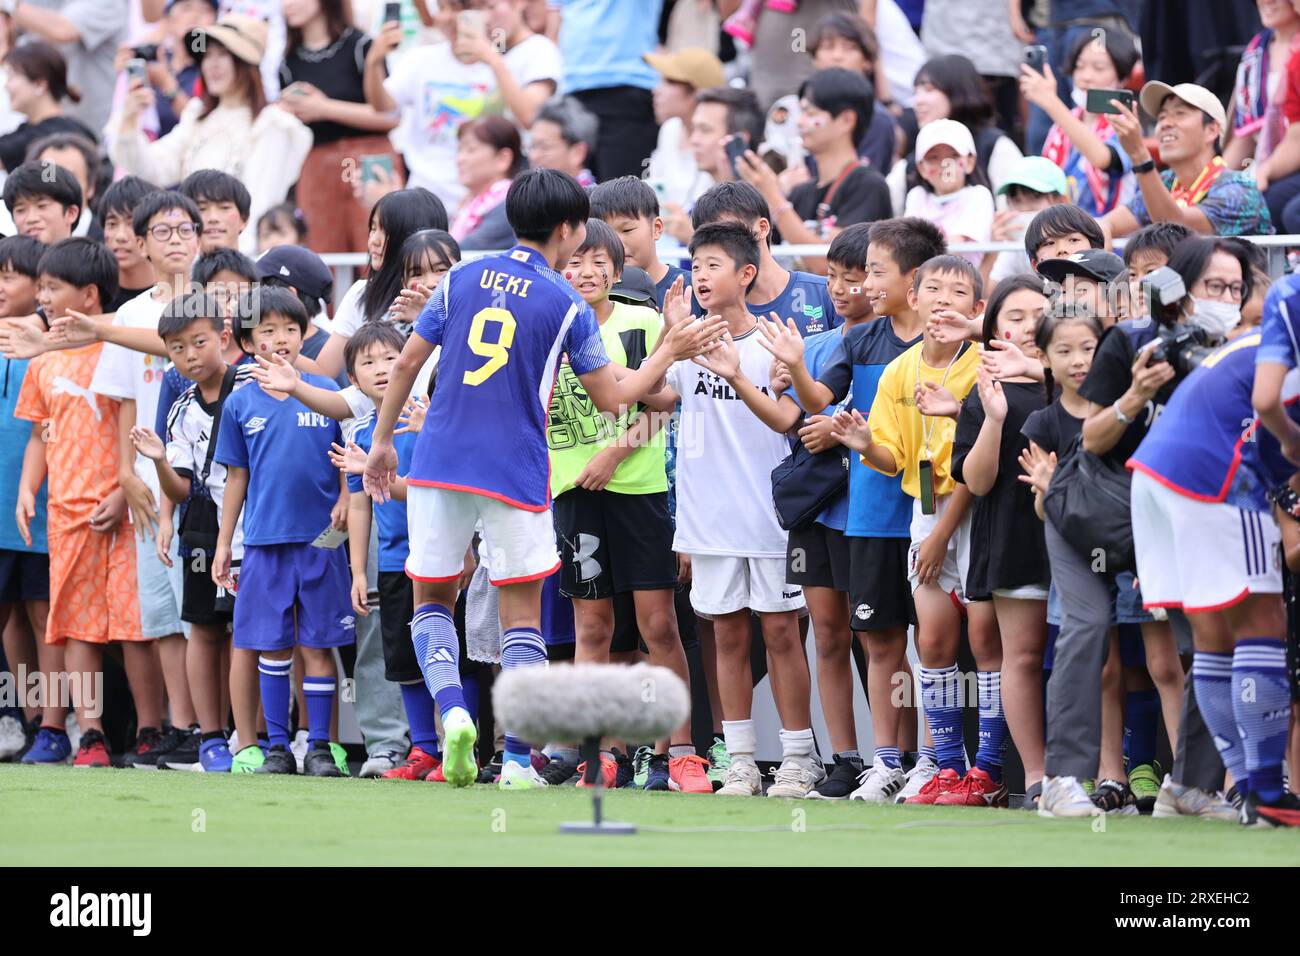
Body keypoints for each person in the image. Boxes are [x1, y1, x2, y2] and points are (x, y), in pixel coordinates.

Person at [360, 168, 723, 790]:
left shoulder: (460, 279)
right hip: (517, 469)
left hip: (441, 461)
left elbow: (408, 363)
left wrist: (383, 442)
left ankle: (452, 713)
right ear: (567, 228)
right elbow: (616, 399)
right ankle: (521, 761)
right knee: (521, 616)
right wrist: (668, 351)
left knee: (431, 599)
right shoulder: (563, 302)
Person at [765, 216, 946, 801]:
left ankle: (937, 760)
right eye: (854, 274)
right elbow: (822, 400)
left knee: (937, 643)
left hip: (931, 510)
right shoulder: (858, 340)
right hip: (870, 513)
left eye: (872, 272)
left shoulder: (948, 343)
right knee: (881, 640)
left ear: (913, 279)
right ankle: (889, 761)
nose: (860, 285)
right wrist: (795, 365)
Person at [707, 223, 876, 799]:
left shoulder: (902, 346)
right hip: (814, 512)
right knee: (823, 634)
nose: (841, 289)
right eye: (833, 277)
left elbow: (814, 414)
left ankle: (901, 760)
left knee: (878, 636)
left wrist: (828, 415)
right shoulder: (814, 344)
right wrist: (798, 381)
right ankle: (836, 761)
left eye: (857, 278)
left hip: (882, 513)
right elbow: (796, 418)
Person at [648, 221, 815, 798]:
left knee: (782, 634)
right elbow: (648, 396)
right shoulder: (684, 343)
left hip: (771, 520)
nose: (699, 276)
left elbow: (790, 420)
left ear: (747, 273)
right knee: (726, 638)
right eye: (694, 266)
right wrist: (670, 340)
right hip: (708, 521)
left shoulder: (775, 340)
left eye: (713, 265)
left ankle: (798, 758)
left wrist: (739, 375)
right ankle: (739, 759)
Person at [549, 219, 707, 793]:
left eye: (599, 262)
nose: (586, 272)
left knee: (658, 625)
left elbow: (664, 403)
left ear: (618, 270)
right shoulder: (549, 324)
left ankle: (680, 751)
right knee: (592, 626)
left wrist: (613, 456)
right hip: (572, 494)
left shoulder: (641, 321)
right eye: (575, 262)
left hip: (638, 490)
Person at [1129, 316, 1300, 827]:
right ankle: (1269, 793)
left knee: (1216, 639)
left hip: (1157, 473)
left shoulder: (1270, 322)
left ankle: (1251, 790)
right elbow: (1269, 406)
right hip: (1216, 477)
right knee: (1263, 620)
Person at [830, 254, 985, 806]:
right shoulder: (900, 370)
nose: (943, 300)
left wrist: (943, 531)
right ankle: (942, 766)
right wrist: (865, 444)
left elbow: (977, 461)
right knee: (935, 640)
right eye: (933, 289)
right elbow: (894, 457)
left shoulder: (985, 362)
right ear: (913, 300)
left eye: (958, 292)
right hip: (927, 510)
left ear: (978, 309)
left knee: (988, 642)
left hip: (977, 511)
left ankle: (986, 772)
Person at [212, 286, 354, 776]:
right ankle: (276, 747)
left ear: (303, 334)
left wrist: (342, 498)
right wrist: (223, 540)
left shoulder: (326, 393)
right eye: (267, 330)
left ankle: (318, 746)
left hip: (321, 542)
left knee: (317, 646)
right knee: (272, 646)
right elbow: (236, 477)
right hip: (264, 543)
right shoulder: (239, 404)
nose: (280, 339)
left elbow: (346, 455)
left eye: (290, 329)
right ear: (249, 342)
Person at [90, 190, 205, 769]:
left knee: (199, 611)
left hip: (199, 480)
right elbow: (121, 407)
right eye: (162, 232)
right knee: (161, 614)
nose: (176, 240)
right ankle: (179, 727)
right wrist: (123, 474)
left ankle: (214, 729)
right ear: (140, 244)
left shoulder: (218, 304)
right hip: (144, 481)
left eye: (186, 229)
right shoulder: (131, 312)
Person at [13, 237, 134, 768]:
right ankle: (92, 735)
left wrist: (122, 492)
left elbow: (138, 426)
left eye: (51, 287)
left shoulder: (123, 349)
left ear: (88, 295)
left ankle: (155, 728)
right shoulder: (45, 358)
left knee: (137, 628)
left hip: (126, 512)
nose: (41, 297)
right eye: (38, 286)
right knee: (77, 625)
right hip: (65, 514)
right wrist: (26, 489)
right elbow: (42, 431)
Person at [129, 291, 254, 773]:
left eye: (198, 342)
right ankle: (210, 736)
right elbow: (179, 489)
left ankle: (255, 736)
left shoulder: (252, 386)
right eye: (177, 348)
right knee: (202, 628)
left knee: (250, 631)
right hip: (201, 523)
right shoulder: (180, 408)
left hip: (254, 523)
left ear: (223, 337)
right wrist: (159, 461)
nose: (189, 356)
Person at [949, 274, 1053, 808]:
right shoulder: (984, 393)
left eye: (1039, 313)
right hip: (1015, 540)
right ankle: (1037, 777)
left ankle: (1107, 774)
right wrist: (992, 419)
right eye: (1014, 317)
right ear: (992, 329)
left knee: (1100, 660)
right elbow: (977, 480)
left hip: (1083, 541)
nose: (1028, 326)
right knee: (1024, 656)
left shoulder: (1075, 379)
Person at [330, 321, 447, 782]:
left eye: (389, 359)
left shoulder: (429, 418)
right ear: (353, 381)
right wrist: (359, 571)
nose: (381, 370)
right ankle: (421, 750)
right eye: (368, 363)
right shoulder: (360, 430)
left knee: (449, 653)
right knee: (403, 657)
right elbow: (359, 507)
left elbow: (429, 489)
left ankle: (461, 739)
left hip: (441, 557)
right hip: (395, 560)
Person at [109, 14, 312, 254]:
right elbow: (151, 168)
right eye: (207, 55)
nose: (212, 65)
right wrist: (131, 117)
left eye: (223, 54)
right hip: (193, 258)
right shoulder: (197, 117)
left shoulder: (274, 125)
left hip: (242, 266)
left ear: (245, 62)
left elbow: (259, 208)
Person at [364, 0, 559, 211]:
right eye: (440, 9)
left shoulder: (513, 58)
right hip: (426, 198)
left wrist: (490, 58)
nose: (445, 17)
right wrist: (374, 61)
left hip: (490, 205)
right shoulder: (421, 58)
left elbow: (529, 116)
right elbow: (383, 107)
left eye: (454, 9)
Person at [277, 0, 403, 255]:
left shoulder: (360, 46)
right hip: (316, 165)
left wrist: (324, 108)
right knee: (323, 254)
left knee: (377, 249)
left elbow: (389, 115)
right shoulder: (286, 61)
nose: (287, 4)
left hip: (370, 158)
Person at [0, 235, 58, 762]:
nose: (1, 287)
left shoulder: (57, 344)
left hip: (43, 512)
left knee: (44, 619)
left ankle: (48, 724)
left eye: (10, 277)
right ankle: (10, 716)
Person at [737, 67, 892, 253]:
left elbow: (827, 262)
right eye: (801, 113)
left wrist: (772, 195)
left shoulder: (868, 186)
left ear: (846, 120)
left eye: (810, 114)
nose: (799, 122)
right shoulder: (800, 192)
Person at [1101, 82, 1273, 240]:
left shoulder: (1240, 188)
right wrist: (1103, 231)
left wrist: (1139, 155)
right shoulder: (1167, 181)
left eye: (1179, 114)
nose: (1165, 124)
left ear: (1212, 130)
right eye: (1161, 117)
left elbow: (1174, 229)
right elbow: (1109, 223)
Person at [313, 187, 447, 381]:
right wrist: (270, 340)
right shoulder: (362, 293)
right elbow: (323, 371)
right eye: (373, 229)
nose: (374, 241)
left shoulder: (452, 295)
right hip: (375, 410)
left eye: (385, 231)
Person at [691, 180, 841, 337]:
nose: (716, 246)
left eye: (726, 233)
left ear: (762, 228)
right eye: (706, 238)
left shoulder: (825, 292)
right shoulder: (699, 308)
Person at [1019, 28, 1139, 219]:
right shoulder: (1062, 124)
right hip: (1062, 233)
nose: (1086, 76)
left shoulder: (1126, 122)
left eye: (1098, 68)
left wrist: (1051, 103)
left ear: (1123, 78)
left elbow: (1104, 159)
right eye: (1079, 66)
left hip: (1110, 240)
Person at [891, 53, 1023, 209]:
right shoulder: (911, 163)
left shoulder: (995, 147)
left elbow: (1017, 215)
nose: (917, 101)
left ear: (958, 91)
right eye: (916, 92)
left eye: (928, 89)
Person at [551, 0, 661, 180]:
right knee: (573, 198)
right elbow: (556, 20)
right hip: (573, 90)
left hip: (625, 88)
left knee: (621, 199)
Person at [0, 0, 127, 133]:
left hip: (95, 131)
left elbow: (62, 30)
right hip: (41, 131)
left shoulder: (108, 3)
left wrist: (9, 4)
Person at [808, 11, 899, 172]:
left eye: (849, 48)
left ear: (868, 62)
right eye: (828, 47)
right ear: (814, 58)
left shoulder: (876, 119)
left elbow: (862, 185)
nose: (837, 56)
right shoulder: (800, 112)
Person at [643, 46, 726, 210]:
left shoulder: (722, 140)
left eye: (669, 81)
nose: (656, 90)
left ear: (696, 93)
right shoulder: (670, 129)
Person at [120, 0, 218, 137]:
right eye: (186, 8)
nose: (195, 16)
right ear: (168, 21)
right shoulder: (154, 59)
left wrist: (166, 84)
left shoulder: (214, 67)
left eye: (204, 10)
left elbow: (203, 125)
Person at [903, 118, 994, 265]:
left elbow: (955, 248)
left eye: (954, 156)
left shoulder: (978, 195)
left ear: (970, 162)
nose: (945, 165)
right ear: (921, 168)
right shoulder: (916, 196)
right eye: (933, 157)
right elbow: (907, 248)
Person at [590, 175, 689, 309]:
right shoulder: (591, 297)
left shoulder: (693, 288)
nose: (616, 243)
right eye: (606, 232)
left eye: (627, 230)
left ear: (656, 228)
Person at [1226, 0, 1300, 173]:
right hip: (1262, 165)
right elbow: (1245, 138)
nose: (1267, 1)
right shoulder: (1254, 53)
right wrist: (1211, 183)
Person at [0, 41, 95, 172]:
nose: (6, 86)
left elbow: (51, 184)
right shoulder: (29, 130)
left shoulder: (53, 136)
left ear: (40, 85)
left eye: (12, 76)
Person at [983, 156, 1070, 288]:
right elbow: (988, 295)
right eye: (1015, 199)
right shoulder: (1015, 245)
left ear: (1061, 201)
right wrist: (993, 249)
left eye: (1034, 197)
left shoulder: (1079, 241)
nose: (1023, 208)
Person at [449, 116, 522, 250]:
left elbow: (459, 254)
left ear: (503, 158)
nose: (460, 159)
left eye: (471, 149)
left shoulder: (511, 205)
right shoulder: (469, 204)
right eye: (459, 150)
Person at [27, 132, 101, 240]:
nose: (57, 188)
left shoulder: (109, 244)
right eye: (48, 179)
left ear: (90, 187)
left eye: (69, 179)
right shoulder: (16, 245)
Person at [2, 159, 80, 244]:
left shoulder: (91, 256)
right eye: (20, 210)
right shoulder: (6, 256)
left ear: (71, 213)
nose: (31, 219)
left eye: (42, 206)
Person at [527, 96, 598, 188]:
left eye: (544, 147)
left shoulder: (593, 200)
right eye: (532, 146)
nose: (533, 156)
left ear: (578, 152)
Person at [178, 169, 250, 255]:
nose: (213, 218)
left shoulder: (262, 267)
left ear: (244, 219)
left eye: (224, 207)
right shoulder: (167, 268)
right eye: (201, 209)